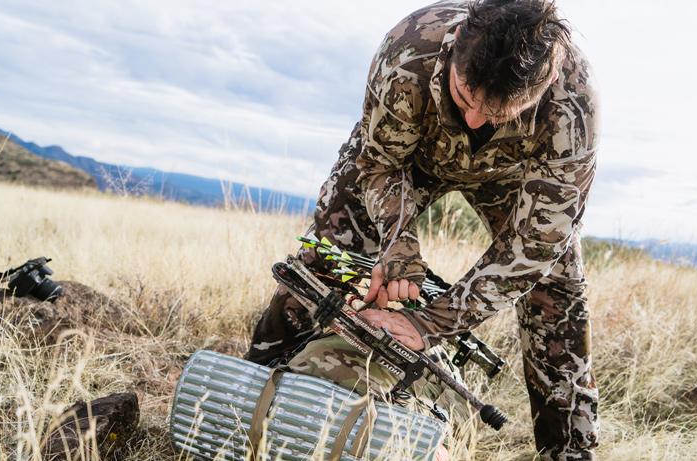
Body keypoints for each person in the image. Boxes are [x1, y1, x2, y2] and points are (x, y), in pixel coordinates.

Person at [246, 0, 599, 459]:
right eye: (465, 94)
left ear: (547, 84)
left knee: (558, 291)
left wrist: (427, 323)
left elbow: (538, 242)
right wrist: (400, 243)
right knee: (327, 256)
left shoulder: (573, 106)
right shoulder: (408, 50)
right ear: (454, 49)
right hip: (404, 158)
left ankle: (569, 452)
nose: (473, 120)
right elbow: (378, 163)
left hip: (512, 177)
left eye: (497, 112)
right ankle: (250, 394)